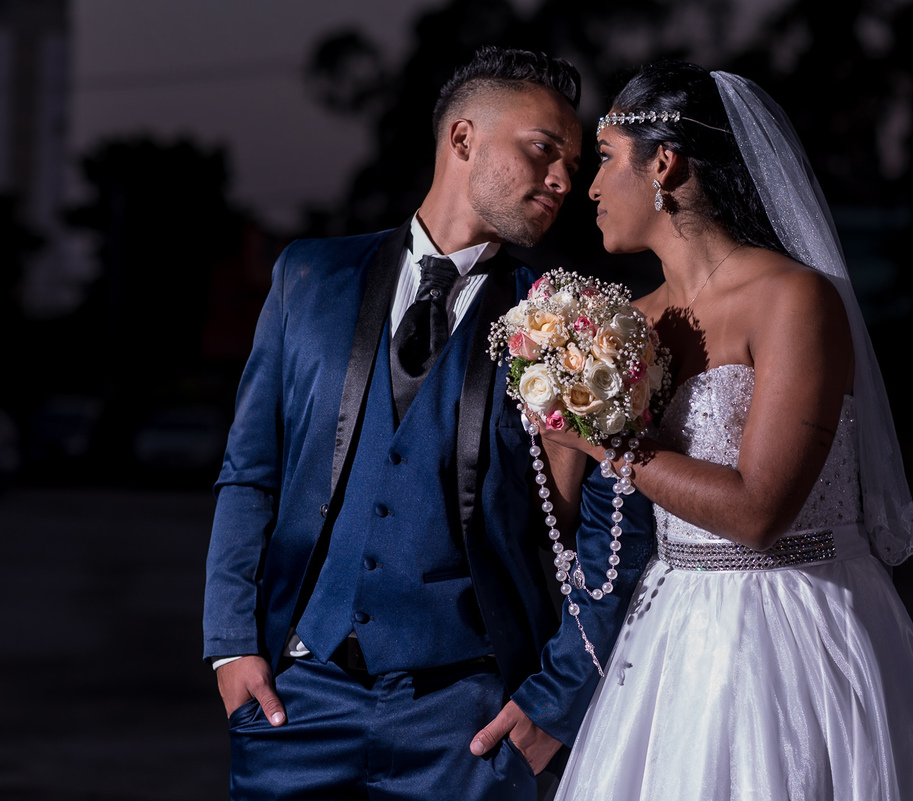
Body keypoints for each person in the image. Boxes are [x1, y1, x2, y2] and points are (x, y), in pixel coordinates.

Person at [202, 47, 654, 801]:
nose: (563, 181)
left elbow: (618, 533)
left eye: (572, 165)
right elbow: (251, 471)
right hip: (297, 704)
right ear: (464, 140)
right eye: (544, 151)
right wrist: (230, 648)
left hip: (470, 726)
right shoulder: (308, 278)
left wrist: (557, 699)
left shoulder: (574, 322)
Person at [540, 62, 913, 799]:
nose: (590, 188)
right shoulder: (627, 324)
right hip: (671, 632)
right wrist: (549, 393)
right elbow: (569, 516)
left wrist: (602, 438)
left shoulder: (793, 299)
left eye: (605, 160)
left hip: (795, 624)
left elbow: (759, 510)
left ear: (663, 163)